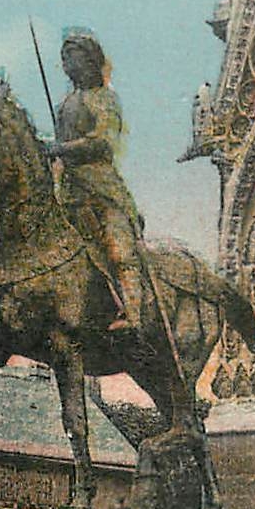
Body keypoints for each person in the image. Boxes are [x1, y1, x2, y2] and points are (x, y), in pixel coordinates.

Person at [45, 29, 153, 334]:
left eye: (74, 57)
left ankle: (134, 312)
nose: (68, 64)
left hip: (101, 190)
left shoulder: (105, 98)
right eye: (65, 58)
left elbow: (103, 141)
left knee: (119, 250)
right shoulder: (66, 104)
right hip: (67, 190)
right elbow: (58, 144)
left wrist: (62, 148)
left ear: (91, 61)